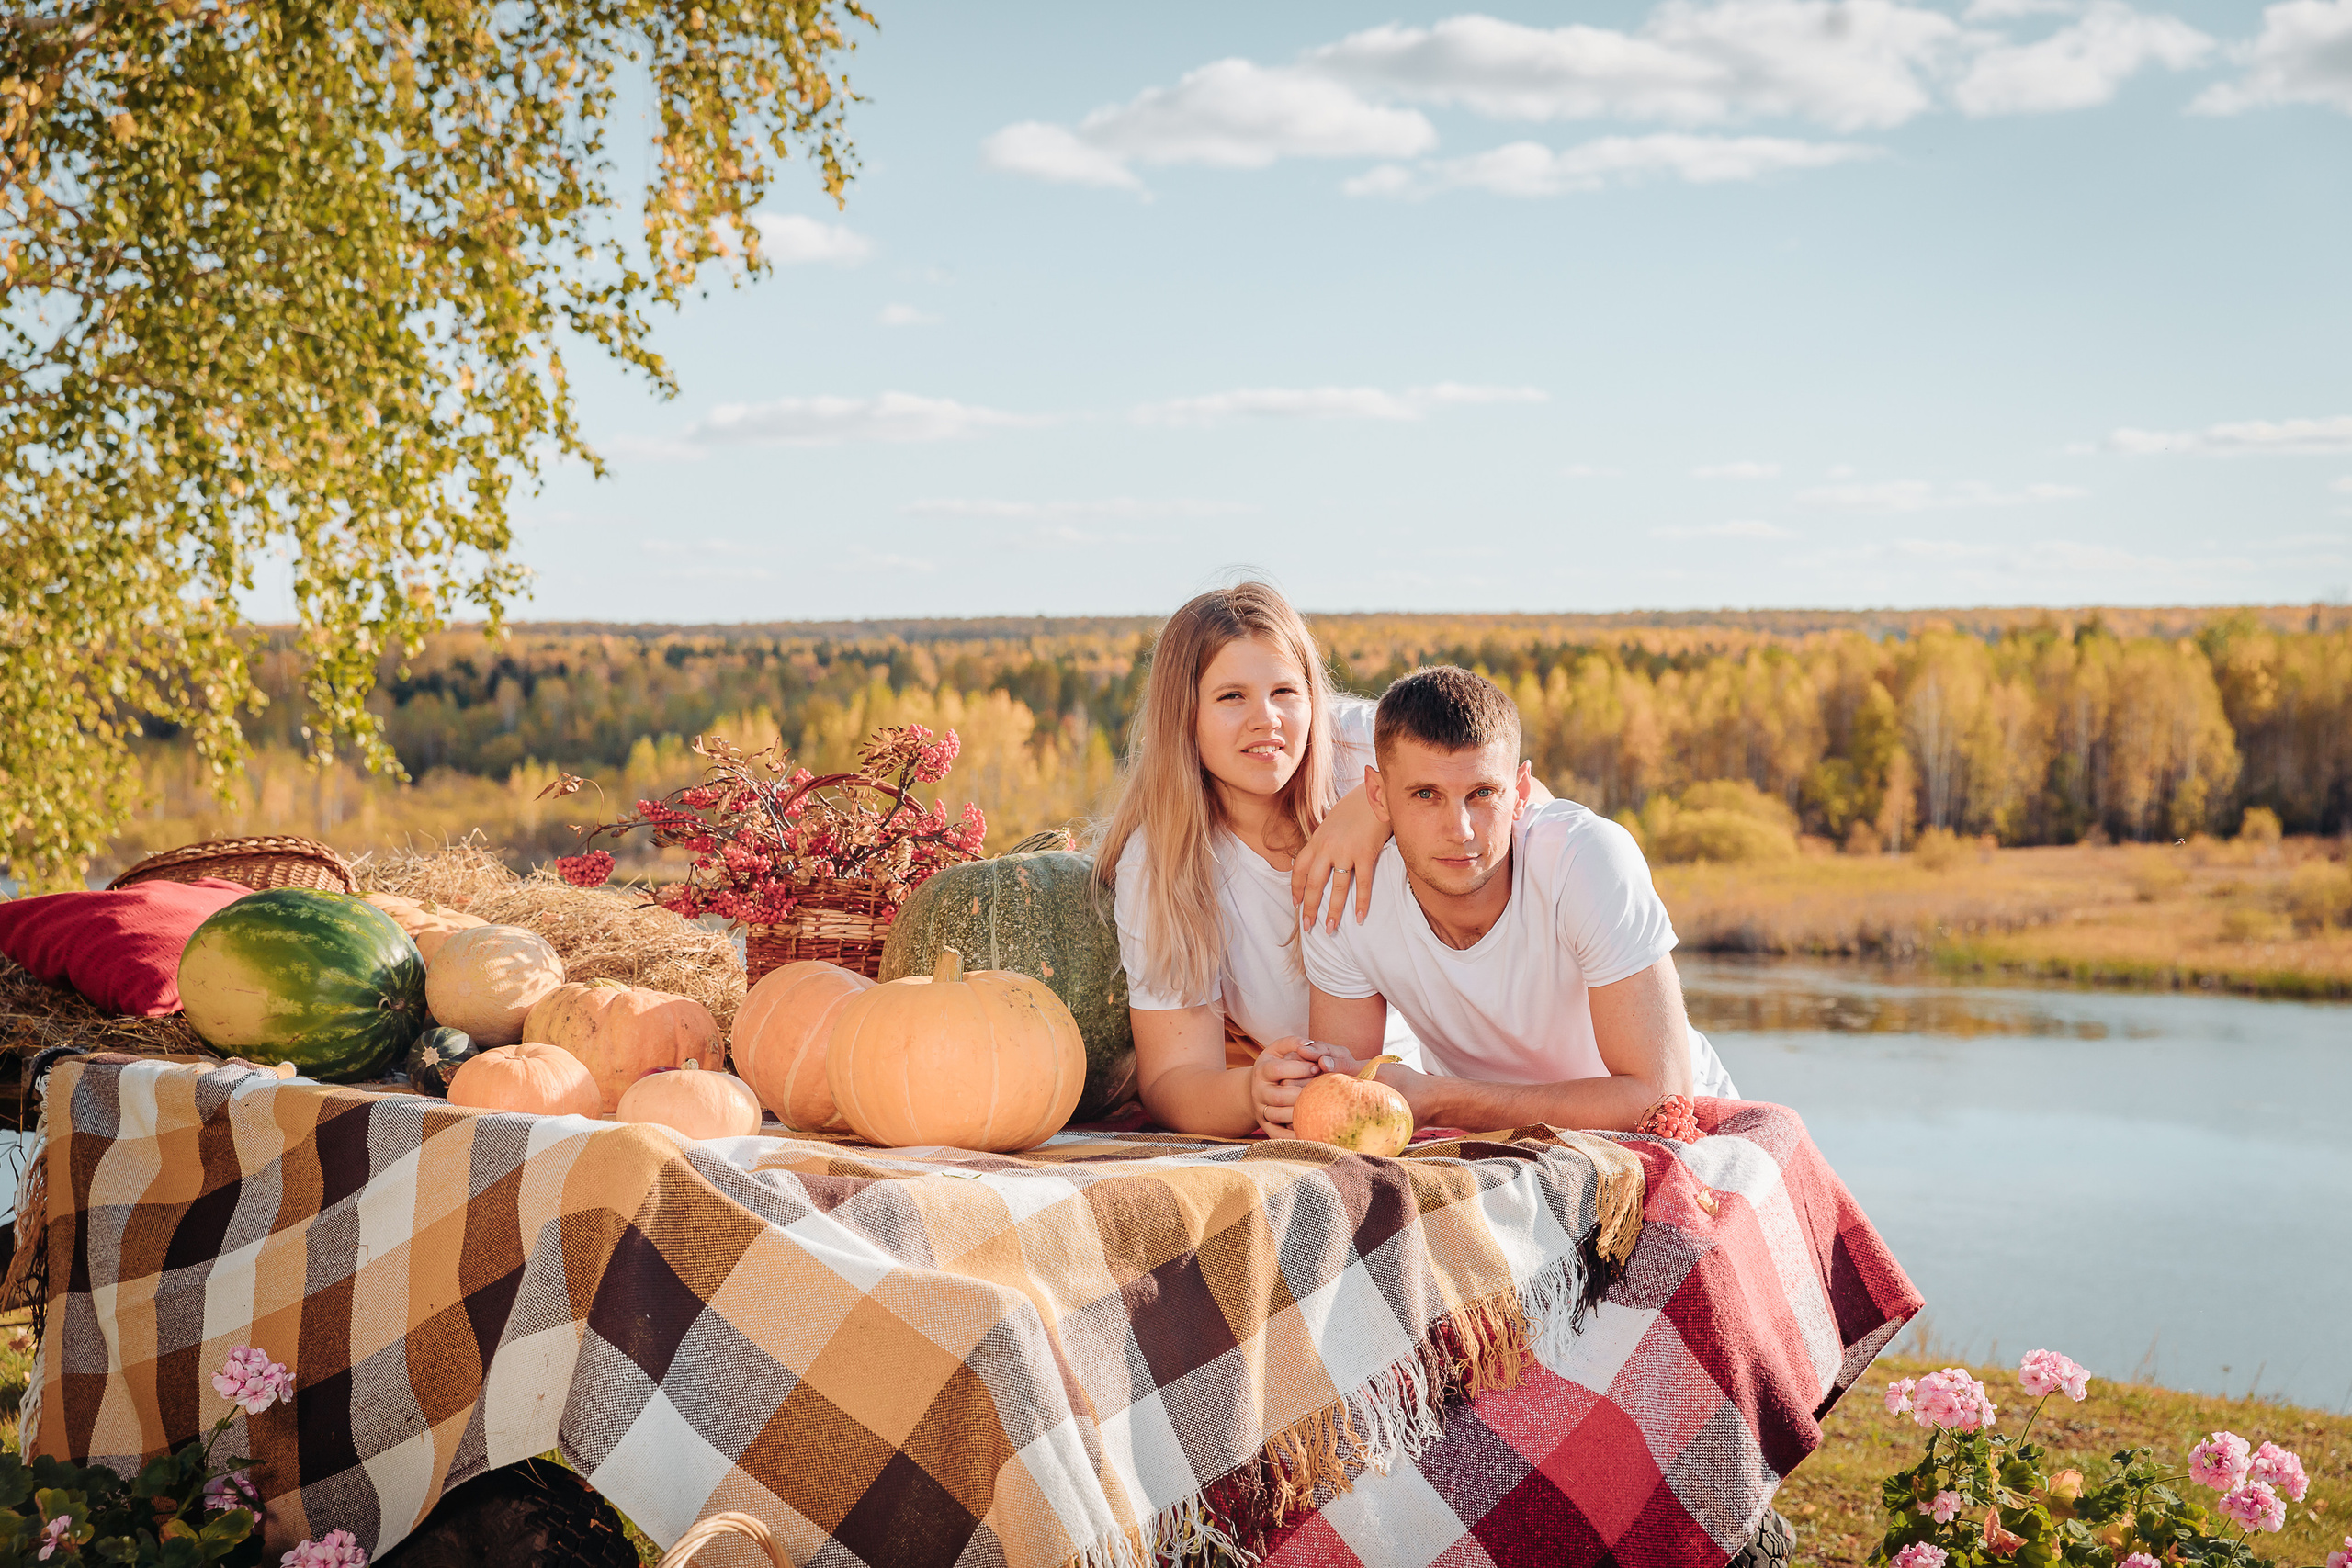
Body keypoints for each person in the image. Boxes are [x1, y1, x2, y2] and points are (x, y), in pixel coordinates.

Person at [1096, 583, 1554, 1138]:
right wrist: (1249, 1094)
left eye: (1285, 691)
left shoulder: (1365, 746)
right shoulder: (1161, 863)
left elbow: (1524, 802)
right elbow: (1173, 1078)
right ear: (1182, 715)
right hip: (1355, 1106)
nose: (1266, 719)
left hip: (1500, 1068)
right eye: (1231, 696)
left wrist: (1372, 803)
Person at [1296, 665, 1737, 1134]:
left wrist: (1439, 1100)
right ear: (1377, 796)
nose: (1459, 830)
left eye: (1482, 792)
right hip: (1493, 1143)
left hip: (1686, 1138)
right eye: (1426, 794)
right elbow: (1344, 1114)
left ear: (1520, 792)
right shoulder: (1346, 900)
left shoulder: (1586, 860)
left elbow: (1660, 1099)